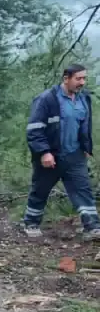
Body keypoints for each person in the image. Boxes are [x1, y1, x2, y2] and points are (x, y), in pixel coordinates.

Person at [23, 63, 97, 239]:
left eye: (84, 78)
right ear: (66, 79)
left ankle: (93, 227)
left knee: (83, 189)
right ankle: (31, 223)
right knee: (41, 190)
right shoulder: (47, 99)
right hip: (51, 155)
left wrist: (86, 147)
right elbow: (34, 129)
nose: (82, 82)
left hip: (75, 154)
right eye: (78, 78)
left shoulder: (83, 99)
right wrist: (44, 152)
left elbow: (85, 125)